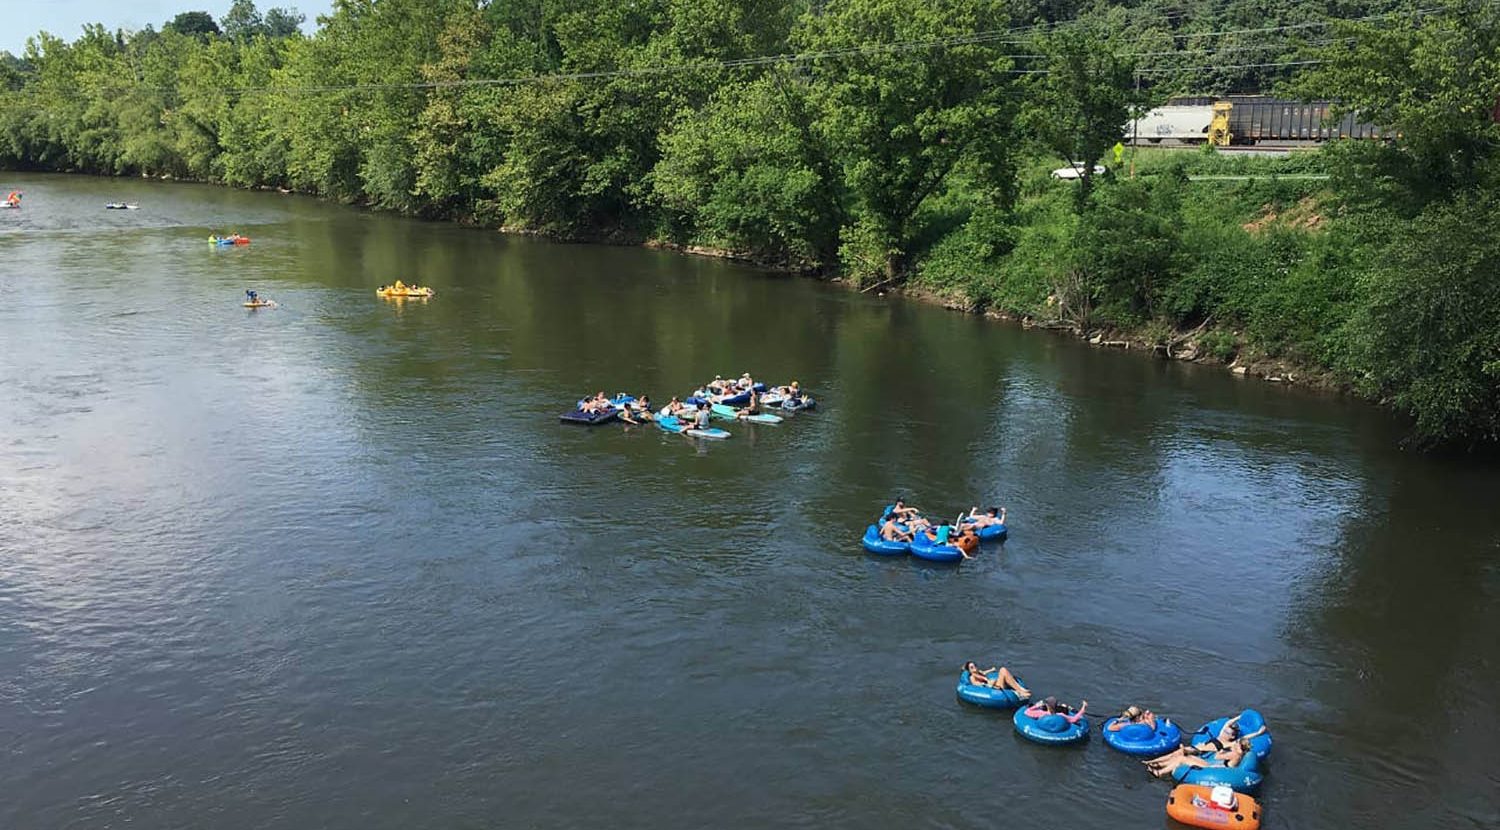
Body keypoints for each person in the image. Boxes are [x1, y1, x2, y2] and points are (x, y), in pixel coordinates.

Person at [1146, 737, 1255, 779]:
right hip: (1216, 766)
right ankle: (1160, 765)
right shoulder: (1239, 754)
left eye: (1236, 743)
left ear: (1239, 746)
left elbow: (1217, 756)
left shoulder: (1235, 754)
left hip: (1215, 769)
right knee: (1188, 756)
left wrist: (1221, 751)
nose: (1234, 744)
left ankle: (1160, 772)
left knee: (1182, 759)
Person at [962, 661, 1030, 697]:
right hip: (995, 688)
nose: (975, 668)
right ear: (969, 670)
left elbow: (984, 672)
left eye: (975, 666)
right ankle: (1020, 691)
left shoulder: (979, 672)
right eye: (972, 667)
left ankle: (1020, 689)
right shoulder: (972, 677)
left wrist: (991, 670)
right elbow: (978, 685)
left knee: (1004, 671)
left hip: (996, 683)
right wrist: (989, 683)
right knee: (1003, 670)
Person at [1023, 696, 1088, 724]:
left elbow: (1026, 712)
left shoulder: (1041, 713)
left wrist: (1036, 706)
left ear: (1047, 705)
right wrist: (1083, 707)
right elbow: (1074, 719)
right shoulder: (1061, 715)